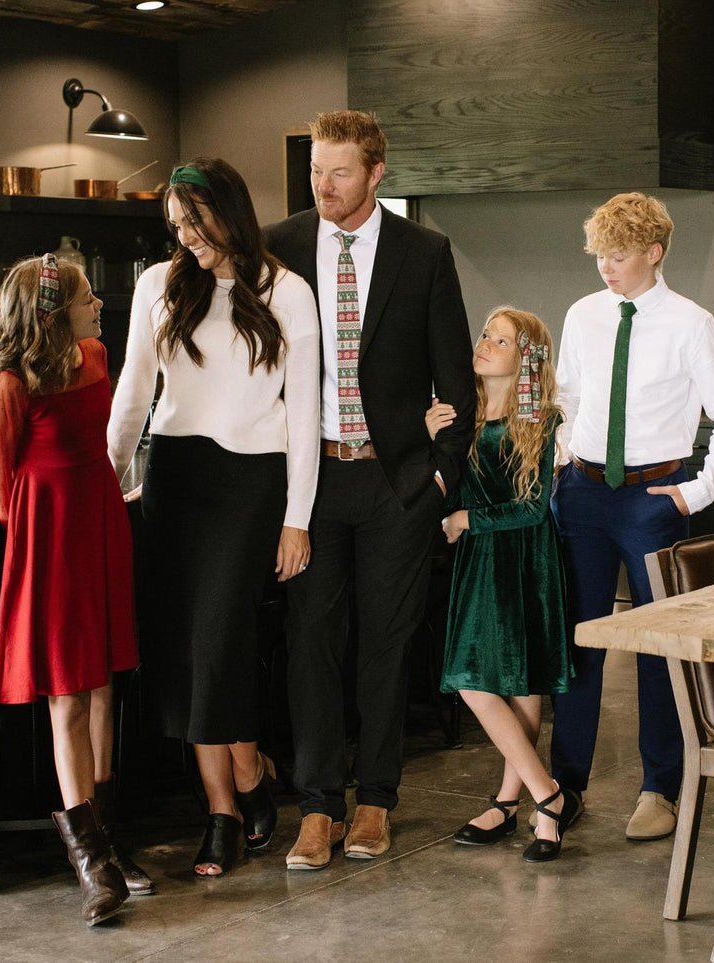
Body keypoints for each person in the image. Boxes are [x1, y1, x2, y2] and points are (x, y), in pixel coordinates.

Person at [264, 109, 475, 870]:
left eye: (340, 171)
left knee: (385, 647)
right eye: (317, 170)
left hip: (395, 484)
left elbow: (456, 379)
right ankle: (316, 807)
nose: (323, 184)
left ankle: (376, 800)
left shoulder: (424, 252)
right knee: (310, 646)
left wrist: (438, 475)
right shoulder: (279, 246)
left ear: (376, 172)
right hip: (310, 482)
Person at [108, 158, 321, 877]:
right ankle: (223, 807)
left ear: (229, 212)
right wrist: (104, 482)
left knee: (220, 644)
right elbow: (132, 393)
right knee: (181, 652)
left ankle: (251, 776)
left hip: (250, 486)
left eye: (195, 224)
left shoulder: (287, 292)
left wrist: (297, 517)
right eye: (175, 227)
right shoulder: (156, 285)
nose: (186, 238)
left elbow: (304, 416)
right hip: (176, 479)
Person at [548, 192, 714, 842]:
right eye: (599, 255)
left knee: (656, 652)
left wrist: (693, 494)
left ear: (653, 253)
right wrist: (559, 464)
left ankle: (658, 788)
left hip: (651, 499)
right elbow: (569, 397)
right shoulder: (583, 314)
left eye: (618, 255)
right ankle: (564, 786)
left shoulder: (689, 324)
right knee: (576, 644)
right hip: (580, 494)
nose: (605, 267)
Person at [0, 253, 143, 925]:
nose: (98, 303)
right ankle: (92, 865)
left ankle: (108, 834)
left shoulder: (98, 358)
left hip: (100, 525)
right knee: (68, 695)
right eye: (85, 297)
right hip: (47, 543)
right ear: (52, 311)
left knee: (104, 684)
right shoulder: (10, 387)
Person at [428, 307, 578, 862]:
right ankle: (544, 797)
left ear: (525, 358)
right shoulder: (458, 414)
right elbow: (440, 491)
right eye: (485, 334)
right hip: (479, 562)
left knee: (518, 681)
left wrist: (468, 520)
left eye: (501, 339)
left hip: (523, 559)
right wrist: (428, 439)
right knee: (474, 675)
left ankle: (522, 799)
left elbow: (535, 508)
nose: (485, 343)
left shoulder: (542, 420)